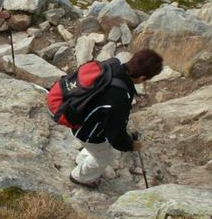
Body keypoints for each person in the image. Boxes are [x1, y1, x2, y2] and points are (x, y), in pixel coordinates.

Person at [69, 49, 163, 189]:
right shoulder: (119, 97)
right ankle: (81, 177)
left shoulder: (112, 66)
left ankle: (82, 159)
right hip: (88, 132)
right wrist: (130, 145)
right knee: (106, 156)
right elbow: (116, 137)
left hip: (78, 116)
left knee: (98, 149)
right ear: (142, 78)